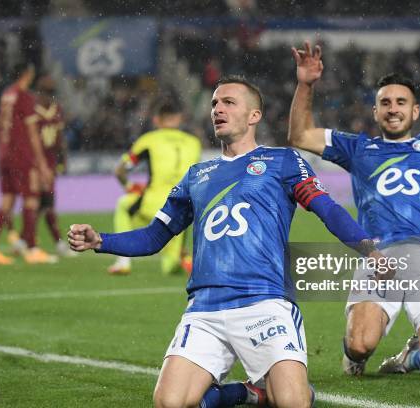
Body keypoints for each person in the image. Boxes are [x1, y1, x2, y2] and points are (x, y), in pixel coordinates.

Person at [68, 75, 389, 408]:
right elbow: (153, 236)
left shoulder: (283, 162)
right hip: (205, 308)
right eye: (214, 104)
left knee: (294, 402)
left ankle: (259, 391)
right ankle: (249, 392)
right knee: (170, 403)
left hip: (265, 302)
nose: (217, 109)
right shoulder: (196, 175)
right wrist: (100, 240)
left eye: (228, 102)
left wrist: (369, 249)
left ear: (254, 116)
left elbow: (328, 210)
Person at [288, 22, 420, 378]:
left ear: (415, 111)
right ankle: (354, 356)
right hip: (380, 255)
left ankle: (408, 357)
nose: (393, 108)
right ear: (375, 112)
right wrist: (306, 84)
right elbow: (300, 134)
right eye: (385, 103)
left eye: (401, 102)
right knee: (359, 343)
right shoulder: (357, 148)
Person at [107, 98, 201, 275]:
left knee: (124, 206)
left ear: (156, 119)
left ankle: (123, 262)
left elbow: (119, 170)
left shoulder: (149, 140)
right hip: (183, 206)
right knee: (169, 265)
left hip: (153, 201)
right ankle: (183, 258)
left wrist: (130, 186)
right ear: (179, 118)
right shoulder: (193, 142)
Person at [0, 62, 56, 265]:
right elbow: (32, 135)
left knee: (7, 202)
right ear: (27, 74)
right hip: (21, 157)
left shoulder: (7, 94)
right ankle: (31, 250)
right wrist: (42, 165)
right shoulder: (24, 97)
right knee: (31, 200)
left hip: (4, 154)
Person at [8, 74, 74, 258]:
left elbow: (59, 138)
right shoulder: (32, 110)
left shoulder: (55, 109)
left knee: (43, 204)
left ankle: (24, 240)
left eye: (50, 93)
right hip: (34, 161)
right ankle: (42, 244)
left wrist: (62, 159)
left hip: (50, 162)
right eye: (46, 93)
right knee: (41, 203)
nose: (47, 97)